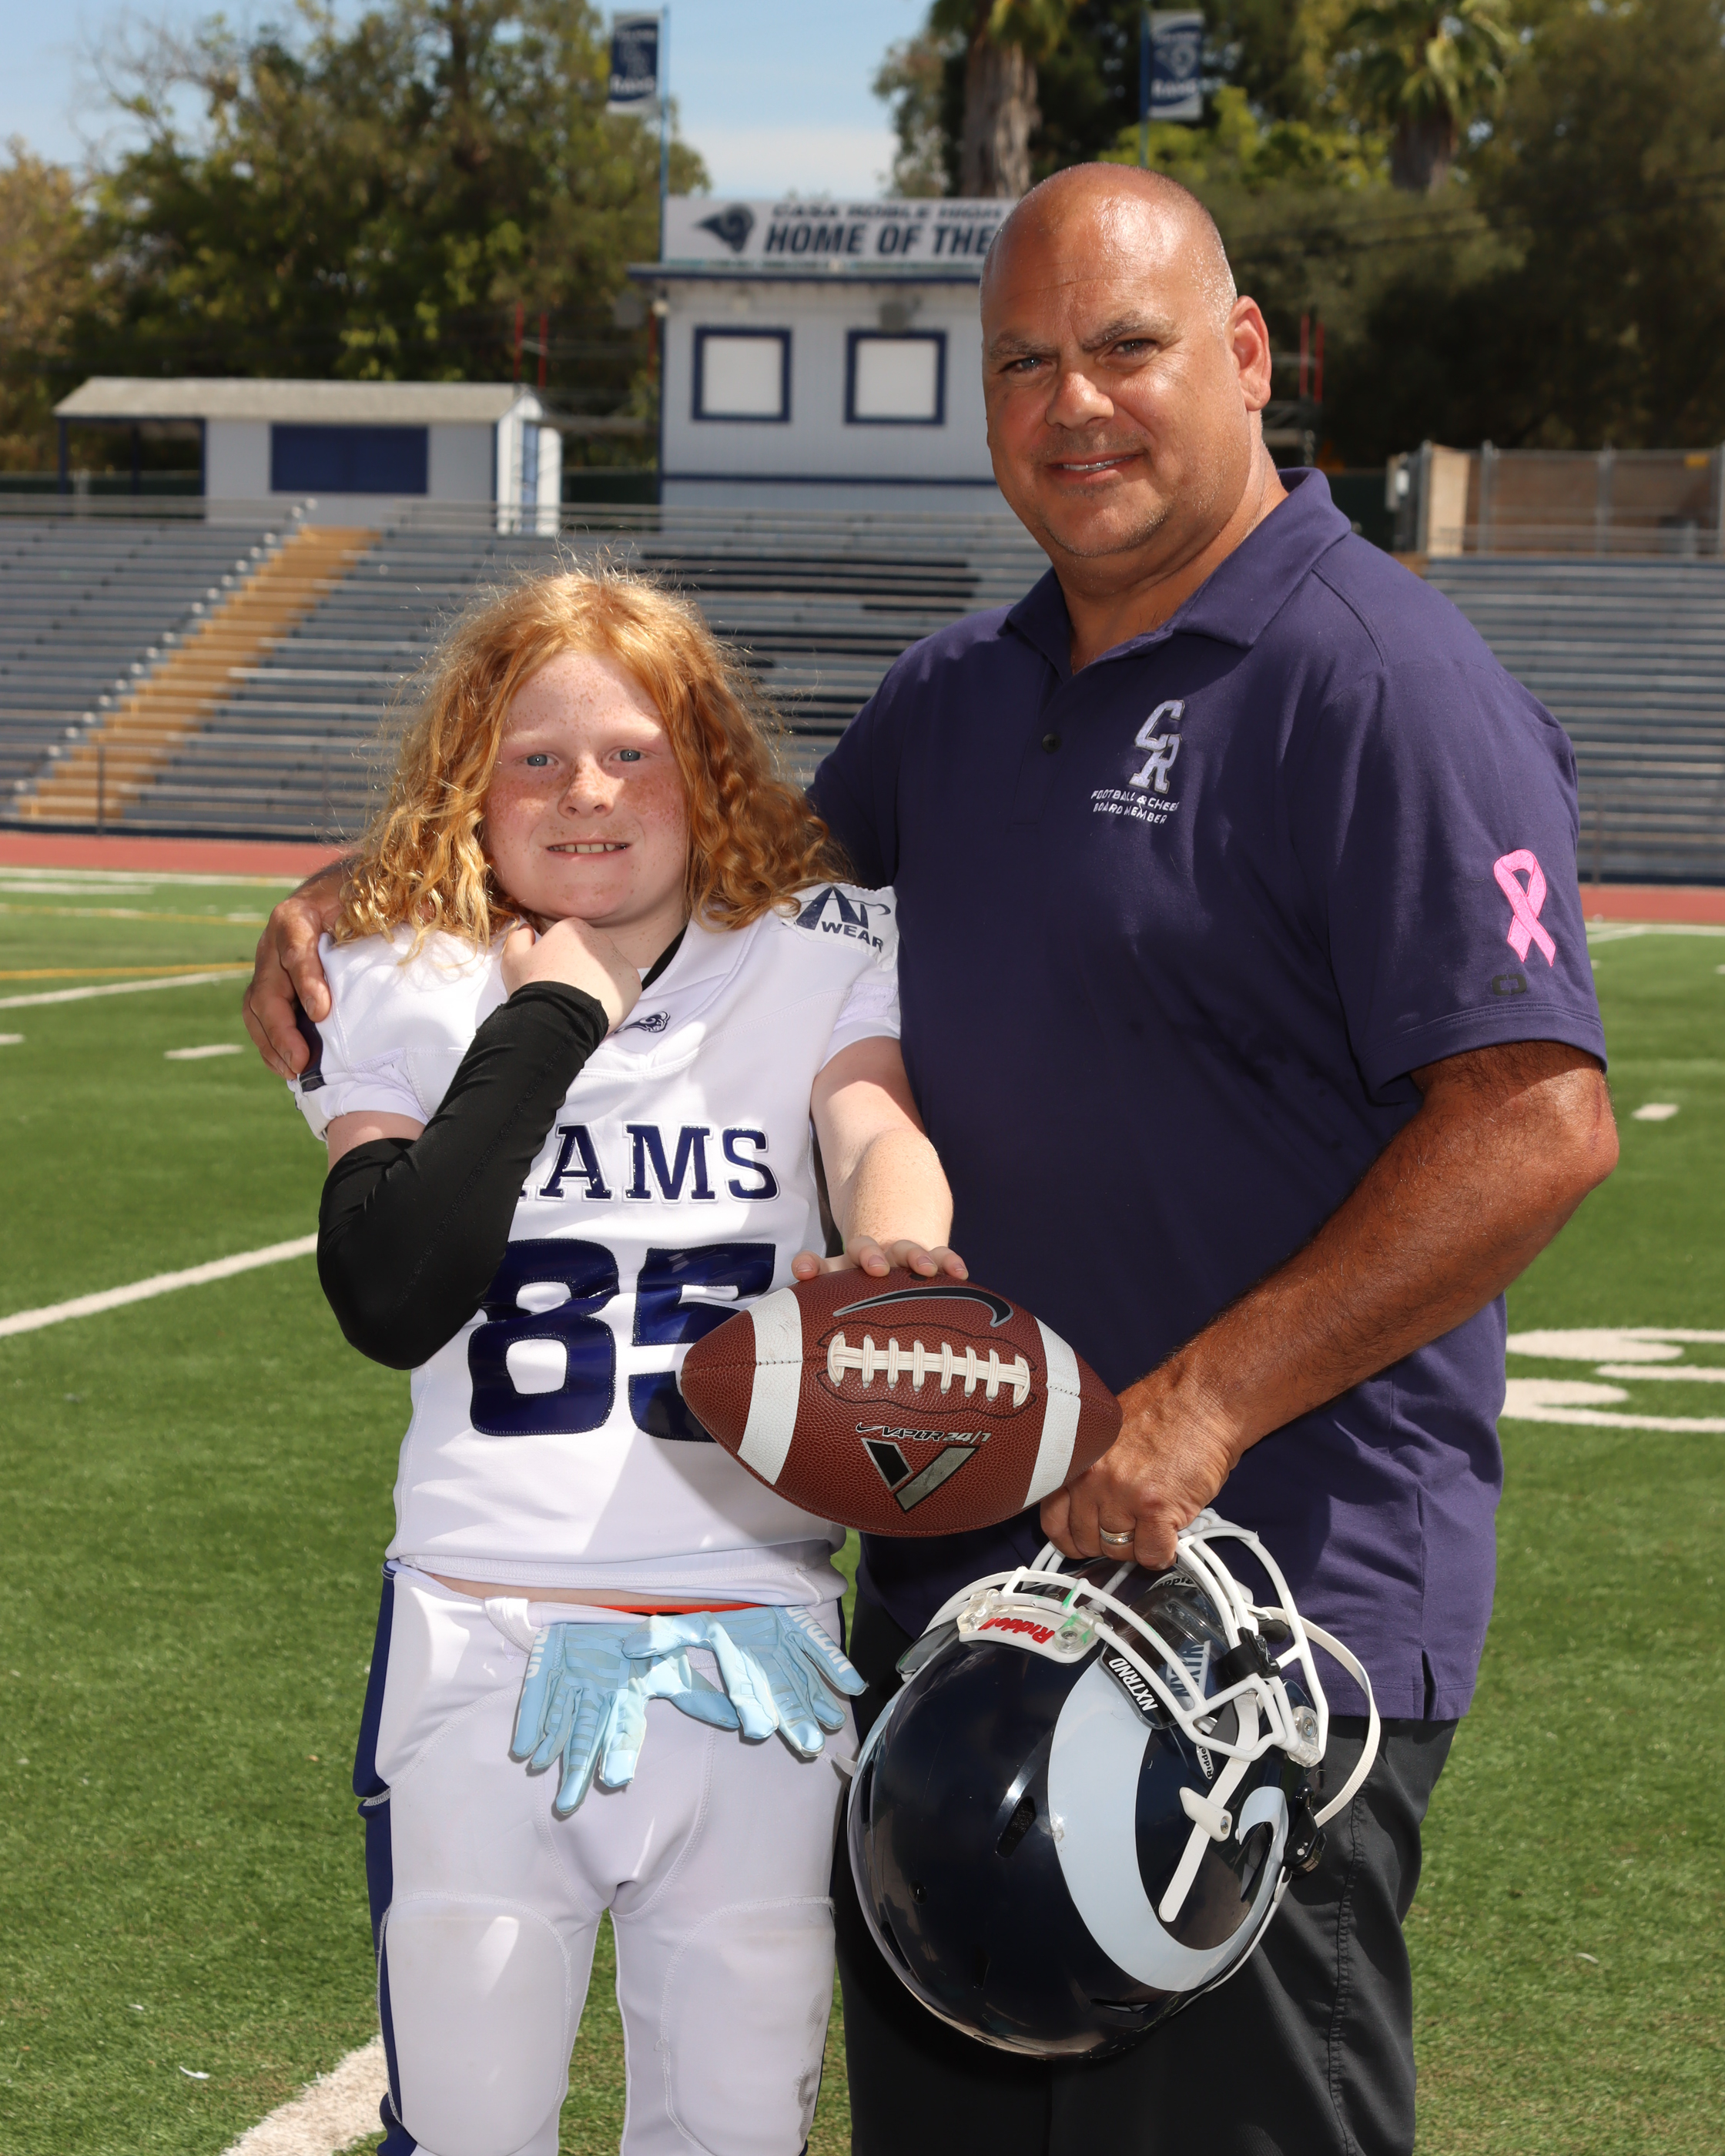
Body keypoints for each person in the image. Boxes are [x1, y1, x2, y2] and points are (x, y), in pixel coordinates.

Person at [245, 169, 1618, 2154]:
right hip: (958, 1596)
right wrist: (369, 889)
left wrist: (1195, 1411)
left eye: (1127, 347)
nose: (1076, 402)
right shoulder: (960, 695)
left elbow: (1534, 1120)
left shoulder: (1379, 679)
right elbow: (682, 874)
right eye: (1026, 362)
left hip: (1248, 1600)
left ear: (1246, 356)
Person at [277, 567, 963, 2156]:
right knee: (471, 2131)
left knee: (735, 2131)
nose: (585, 790)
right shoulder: (401, 968)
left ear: (705, 767)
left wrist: (895, 1255)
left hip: (758, 1646)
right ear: (470, 784)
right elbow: (394, 1286)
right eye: (535, 758)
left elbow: (871, 1122)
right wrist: (548, 1019)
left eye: (630, 752)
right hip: (484, 1634)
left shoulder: (815, 949)